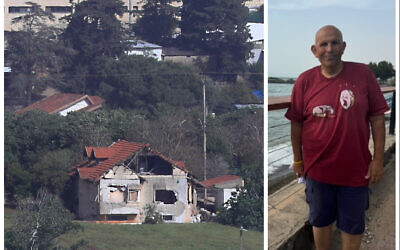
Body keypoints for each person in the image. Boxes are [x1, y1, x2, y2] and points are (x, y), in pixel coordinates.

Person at [285, 25, 389, 250]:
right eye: (324, 44)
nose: (329, 49)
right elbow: (296, 124)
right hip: (318, 171)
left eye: (334, 43)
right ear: (314, 50)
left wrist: (378, 160)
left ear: (343, 47)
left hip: (356, 170)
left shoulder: (363, 74)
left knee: (353, 225)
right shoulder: (305, 81)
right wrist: (298, 160)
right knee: (321, 221)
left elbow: (378, 119)